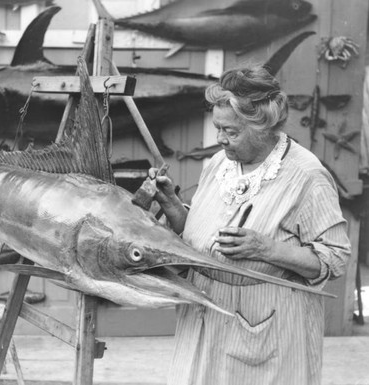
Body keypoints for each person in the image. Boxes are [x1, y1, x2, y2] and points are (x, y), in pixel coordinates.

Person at [151, 66, 351, 385]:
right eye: (218, 128)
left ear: (262, 124)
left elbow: (335, 259)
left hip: (266, 327)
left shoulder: (307, 177)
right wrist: (174, 208)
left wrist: (266, 248)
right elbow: (208, 237)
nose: (220, 139)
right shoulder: (220, 164)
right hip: (204, 319)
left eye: (230, 131)